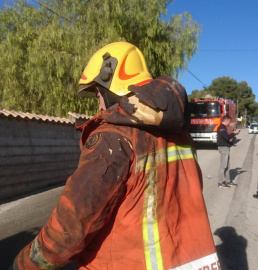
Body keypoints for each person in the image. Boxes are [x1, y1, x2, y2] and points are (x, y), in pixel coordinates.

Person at [11, 42, 219, 270]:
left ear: (112, 88)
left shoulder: (114, 136)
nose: (99, 103)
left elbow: (71, 227)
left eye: (99, 93)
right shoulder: (180, 135)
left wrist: (25, 264)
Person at [217, 115, 240, 188]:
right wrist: (234, 133)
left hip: (226, 147)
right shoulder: (221, 128)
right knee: (223, 166)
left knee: (227, 165)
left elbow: (227, 138)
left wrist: (232, 136)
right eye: (229, 122)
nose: (229, 124)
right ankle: (220, 182)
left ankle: (228, 181)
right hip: (223, 148)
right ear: (226, 121)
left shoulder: (223, 128)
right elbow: (227, 137)